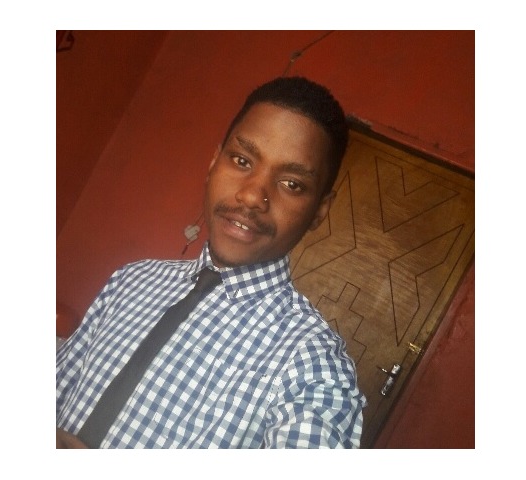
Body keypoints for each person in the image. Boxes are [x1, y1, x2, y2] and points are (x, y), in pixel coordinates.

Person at [56, 76, 367, 448]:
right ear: (213, 162)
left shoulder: (312, 365)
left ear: (320, 211)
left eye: (292, 184)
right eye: (242, 160)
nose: (252, 196)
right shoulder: (131, 280)